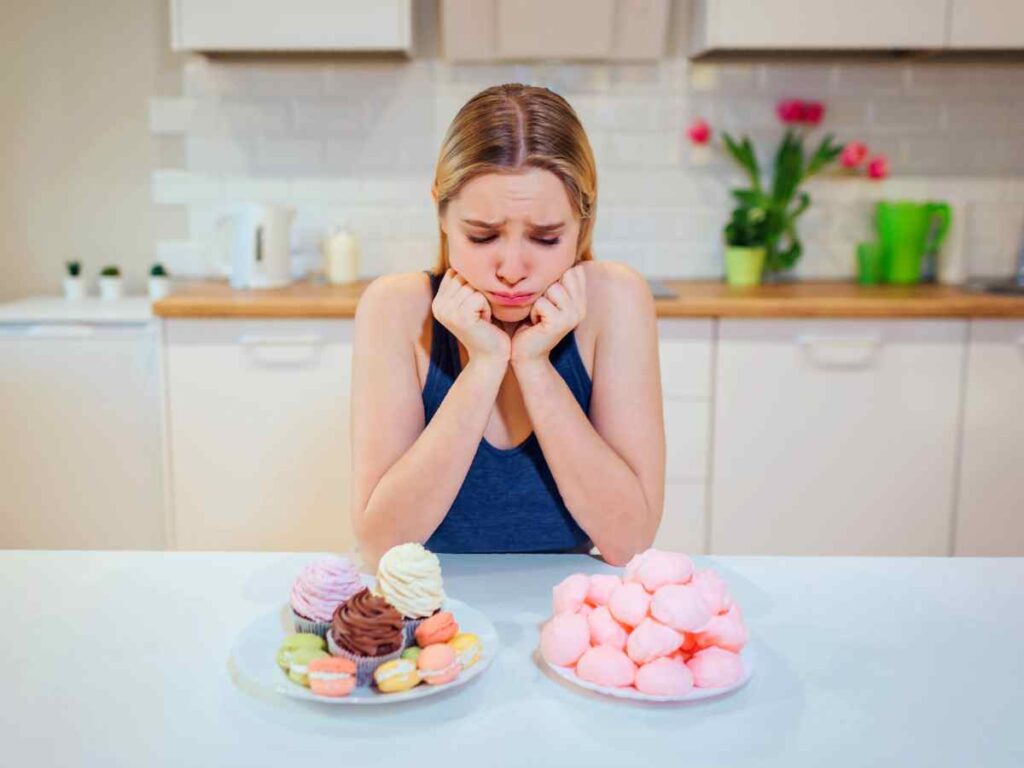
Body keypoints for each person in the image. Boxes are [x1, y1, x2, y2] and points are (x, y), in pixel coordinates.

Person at [351, 83, 664, 568]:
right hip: (433, 615)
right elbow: (380, 547)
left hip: (567, 611)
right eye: (482, 235)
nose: (512, 268)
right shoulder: (395, 309)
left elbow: (629, 542)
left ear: (583, 220)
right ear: (440, 211)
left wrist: (535, 365)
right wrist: (485, 364)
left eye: (545, 238)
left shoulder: (616, 300)